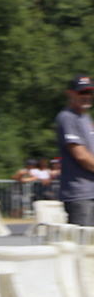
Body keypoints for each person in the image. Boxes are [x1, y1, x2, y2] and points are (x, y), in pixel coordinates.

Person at [55, 75, 94, 226]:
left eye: (89, 93)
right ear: (70, 93)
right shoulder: (67, 117)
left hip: (90, 192)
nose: (87, 97)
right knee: (83, 245)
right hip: (81, 195)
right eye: (81, 92)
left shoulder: (85, 118)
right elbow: (81, 155)